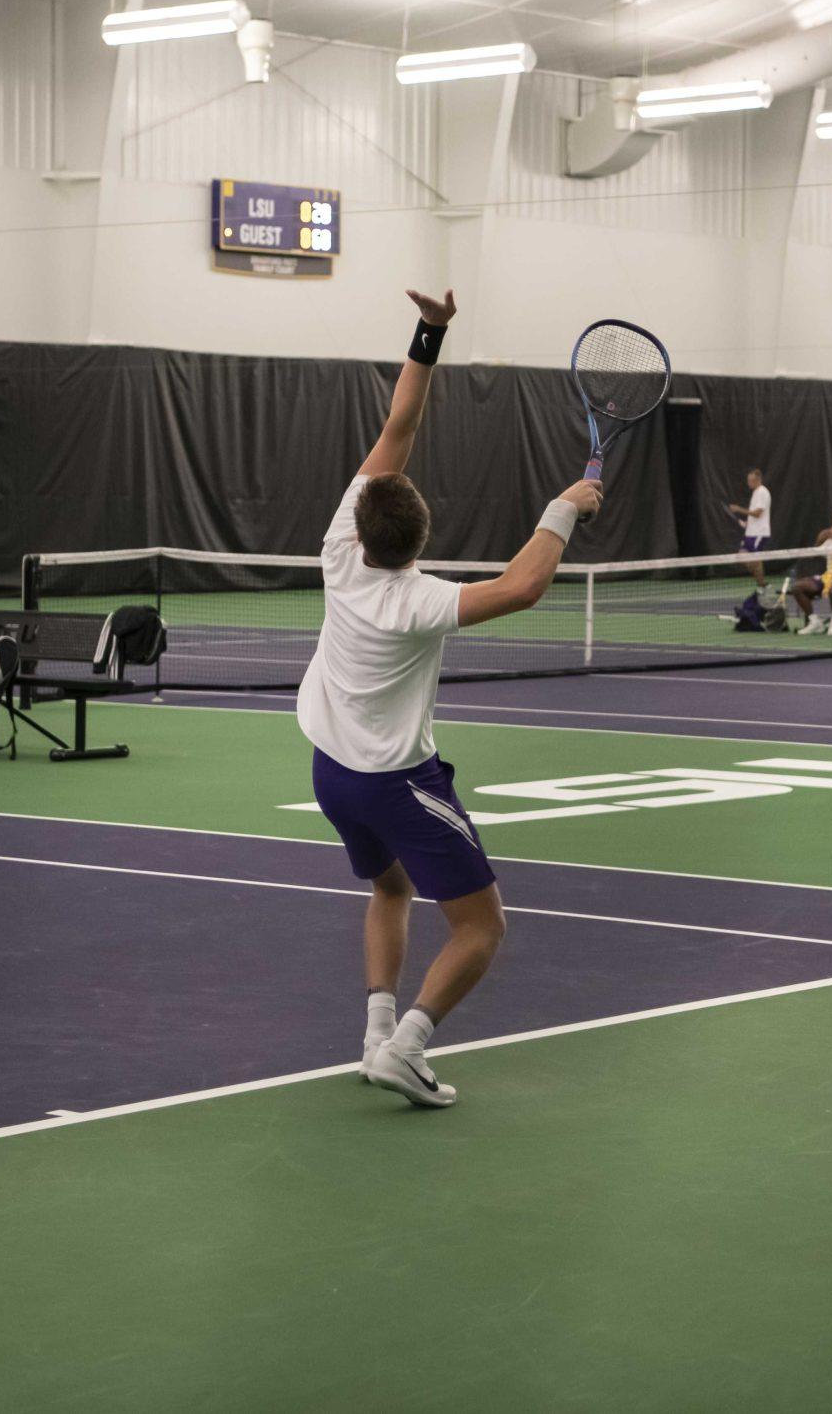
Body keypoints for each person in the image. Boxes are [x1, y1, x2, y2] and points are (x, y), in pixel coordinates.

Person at [301, 288, 604, 1110]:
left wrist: (430, 331)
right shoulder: (421, 600)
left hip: (329, 770)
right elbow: (524, 584)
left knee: (390, 889)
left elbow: (398, 426)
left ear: (360, 527)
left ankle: (373, 1031)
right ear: (418, 541)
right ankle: (409, 1044)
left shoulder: (338, 548)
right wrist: (563, 506)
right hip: (398, 782)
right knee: (482, 925)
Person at [725, 467, 774, 611]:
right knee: (742, 557)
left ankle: (762, 587)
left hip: (760, 533)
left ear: (758, 480)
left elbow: (758, 514)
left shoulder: (763, 492)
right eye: (748, 480)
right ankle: (763, 585)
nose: (749, 483)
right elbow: (755, 515)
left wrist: (739, 509)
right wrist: (746, 523)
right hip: (750, 532)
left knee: (755, 559)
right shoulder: (755, 493)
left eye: (752, 480)